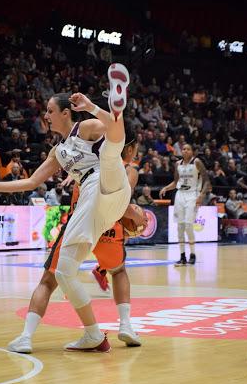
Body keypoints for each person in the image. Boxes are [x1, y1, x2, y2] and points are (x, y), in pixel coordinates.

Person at [0, 63, 142, 353]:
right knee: (63, 272)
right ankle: (93, 334)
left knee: (110, 150)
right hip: (97, 205)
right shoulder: (58, 151)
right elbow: (31, 182)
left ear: (66, 113)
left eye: (49, 110)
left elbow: (113, 130)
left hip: (107, 183)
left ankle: (116, 105)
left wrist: (93, 107)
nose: (45, 115)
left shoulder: (83, 127)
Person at [7, 126, 145, 354]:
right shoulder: (125, 170)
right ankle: (126, 325)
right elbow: (122, 203)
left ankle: (26, 337)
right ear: (129, 149)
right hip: (107, 226)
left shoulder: (84, 159)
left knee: (48, 281)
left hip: (79, 226)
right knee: (119, 271)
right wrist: (137, 217)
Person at [159, 143, 209, 266]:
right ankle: (182, 257)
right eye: (183, 149)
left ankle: (192, 254)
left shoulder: (197, 162)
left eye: (188, 149)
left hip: (192, 195)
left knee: (188, 225)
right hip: (180, 195)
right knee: (180, 227)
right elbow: (176, 182)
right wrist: (166, 188)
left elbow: (207, 181)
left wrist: (201, 195)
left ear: (192, 151)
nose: (185, 151)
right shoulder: (177, 164)